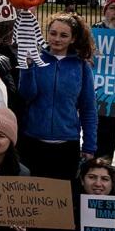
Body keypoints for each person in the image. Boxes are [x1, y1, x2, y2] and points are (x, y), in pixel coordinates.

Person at [18, 12, 97, 180]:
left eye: (63, 35)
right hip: (32, 142)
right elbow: (26, 95)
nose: (57, 39)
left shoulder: (82, 67)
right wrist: (27, 69)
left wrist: (89, 146)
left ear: (73, 39)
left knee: (61, 202)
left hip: (67, 146)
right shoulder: (34, 58)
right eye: (53, 33)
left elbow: (88, 109)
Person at [92, 0, 115, 161]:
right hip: (99, 100)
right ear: (105, 11)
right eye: (113, 8)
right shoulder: (94, 33)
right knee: (99, 146)